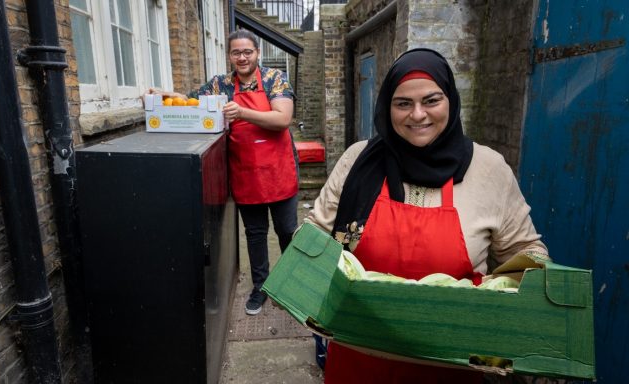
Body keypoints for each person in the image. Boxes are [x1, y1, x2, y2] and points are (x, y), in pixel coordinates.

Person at [305, 48, 550, 383]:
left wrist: (518, 305)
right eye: (403, 103)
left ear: (450, 99)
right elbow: (315, 236)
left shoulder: (488, 169)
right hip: (359, 357)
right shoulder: (357, 161)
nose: (417, 115)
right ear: (387, 106)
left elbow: (527, 254)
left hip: (451, 364)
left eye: (432, 100)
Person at [148, 29, 298, 316]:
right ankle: (261, 287)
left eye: (247, 52)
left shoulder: (274, 79)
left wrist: (241, 112)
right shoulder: (220, 84)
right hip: (245, 172)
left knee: (287, 231)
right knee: (254, 234)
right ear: (229, 56)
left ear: (257, 53)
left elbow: (282, 118)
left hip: (278, 170)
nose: (242, 57)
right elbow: (191, 101)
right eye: (236, 53)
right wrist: (165, 95)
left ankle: (291, 287)